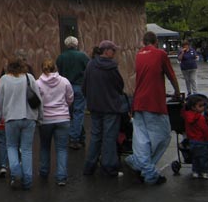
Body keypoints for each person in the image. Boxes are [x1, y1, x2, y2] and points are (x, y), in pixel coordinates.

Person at [125, 31, 181, 186]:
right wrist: (177, 92)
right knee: (163, 136)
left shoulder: (138, 55)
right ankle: (147, 170)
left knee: (142, 140)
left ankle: (140, 164)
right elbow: (171, 75)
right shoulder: (160, 54)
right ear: (156, 41)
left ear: (143, 42)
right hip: (154, 103)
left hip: (138, 102)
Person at [0, 56, 43, 190]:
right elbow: (38, 99)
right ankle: (28, 181)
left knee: (11, 146)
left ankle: (16, 172)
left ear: (8, 67)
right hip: (29, 118)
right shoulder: (29, 78)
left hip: (11, 119)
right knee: (26, 149)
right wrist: (40, 117)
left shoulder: (4, 80)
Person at [81, 40, 125, 177]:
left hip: (95, 106)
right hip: (110, 107)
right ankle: (109, 167)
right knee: (109, 137)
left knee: (95, 136)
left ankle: (89, 166)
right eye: (113, 50)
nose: (115, 53)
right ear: (106, 51)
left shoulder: (90, 64)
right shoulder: (112, 67)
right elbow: (120, 86)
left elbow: (84, 86)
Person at [36, 58, 74, 186]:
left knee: (45, 147)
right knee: (62, 148)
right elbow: (70, 98)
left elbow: (35, 101)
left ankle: (44, 171)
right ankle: (61, 177)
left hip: (45, 119)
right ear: (55, 68)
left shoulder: (37, 83)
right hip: (62, 118)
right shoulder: (64, 81)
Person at [56, 36, 90, 150]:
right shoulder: (82, 56)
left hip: (66, 86)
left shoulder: (61, 57)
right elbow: (89, 70)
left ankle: (79, 136)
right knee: (79, 113)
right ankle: (74, 137)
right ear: (76, 44)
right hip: (79, 86)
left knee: (70, 113)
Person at [182, 93, 208, 179]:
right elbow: (205, 130)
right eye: (200, 106)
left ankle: (195, 171)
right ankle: (204, 171)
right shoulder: (200, 118)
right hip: (201, 141)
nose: (203, 107)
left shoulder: (187, 116)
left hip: (192, 141)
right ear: (193, 107)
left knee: (195, 158)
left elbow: (183, 112)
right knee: (203, 158)